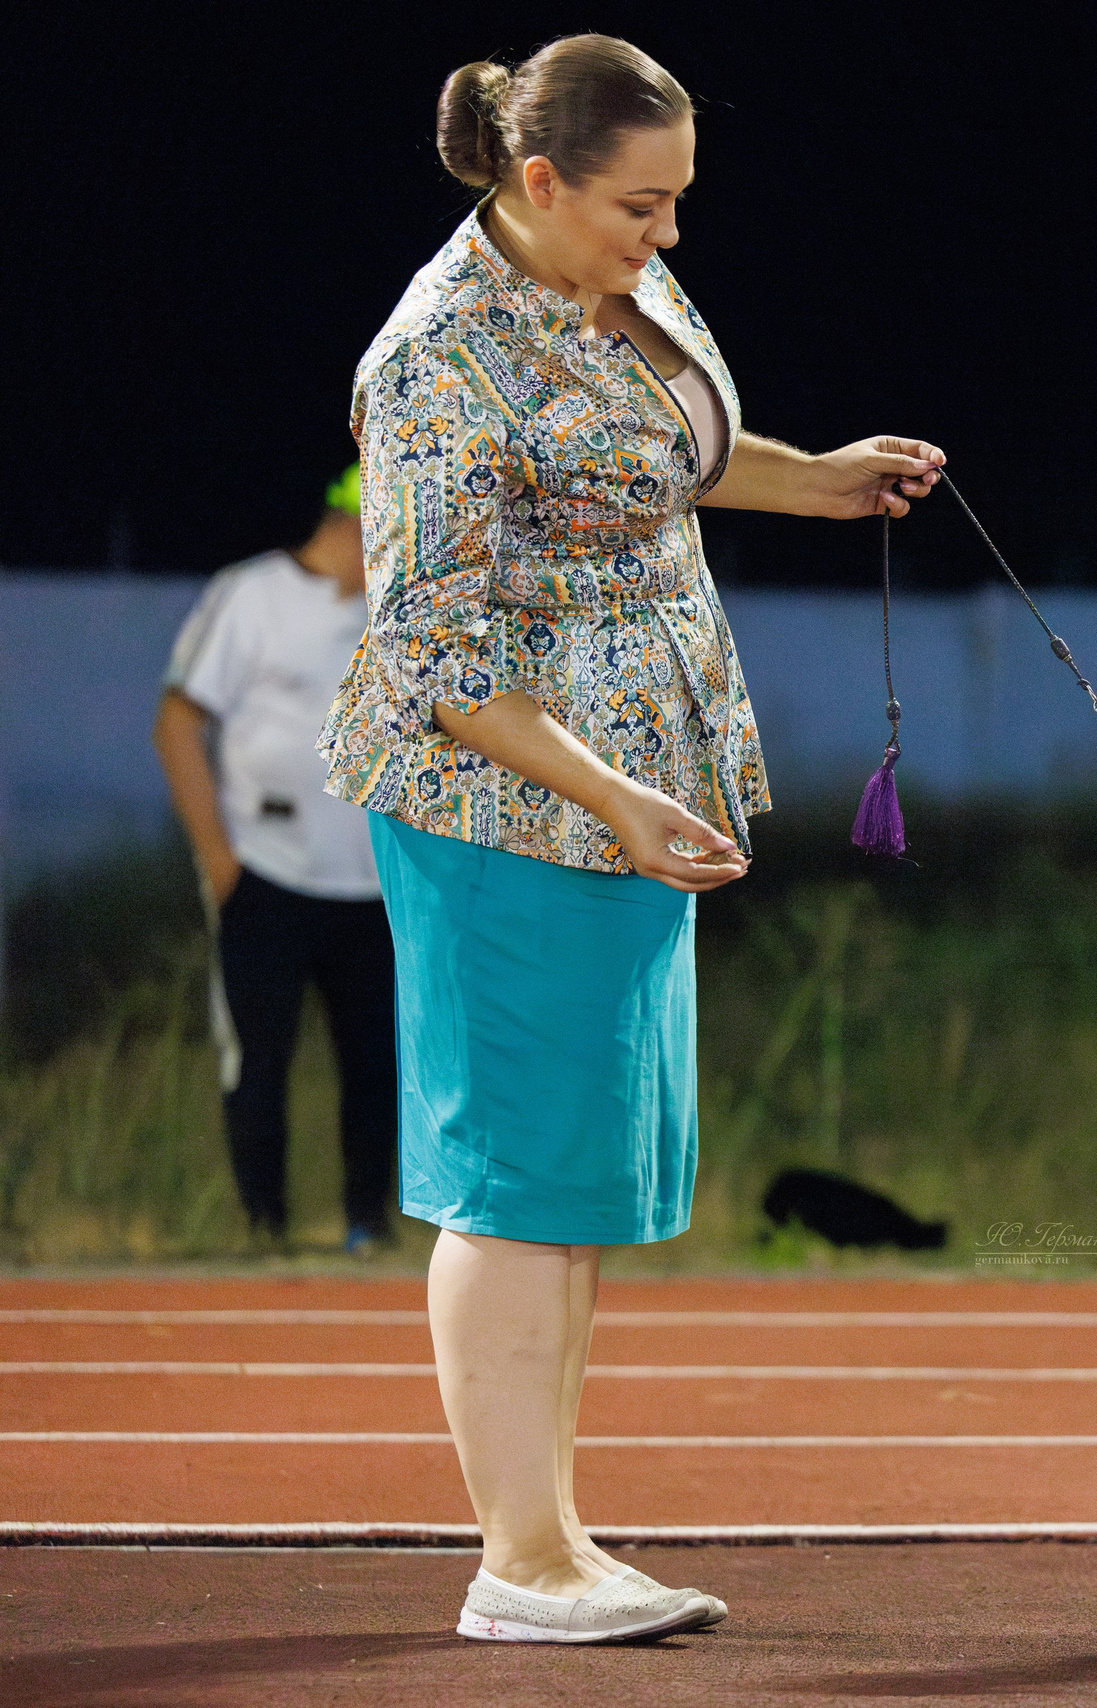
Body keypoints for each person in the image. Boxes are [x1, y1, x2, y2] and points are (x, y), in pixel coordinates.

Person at [318, 35, 943, 1644]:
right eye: (639, 206)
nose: (668, 236)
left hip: (635, 791)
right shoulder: (440, 360)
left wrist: (827, 482)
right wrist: (609, 794)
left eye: (675, 205)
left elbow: (675, 460)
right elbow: (437, 660)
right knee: (517, 1175)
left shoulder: (623, 294)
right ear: (538, 182)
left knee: (581, 1173)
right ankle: (516, 1564)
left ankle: (560, 1535)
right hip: (511, 802)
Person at [155, 466, 397, 1255]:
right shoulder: (252, 595)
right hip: (265, 874)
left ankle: (369, 1224)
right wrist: (221, 861)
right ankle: (266, 1230)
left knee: (377, 1063)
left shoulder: (399, 616)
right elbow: (178, 722)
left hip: (374, 886)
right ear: (352, 525)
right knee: (259, 1061)